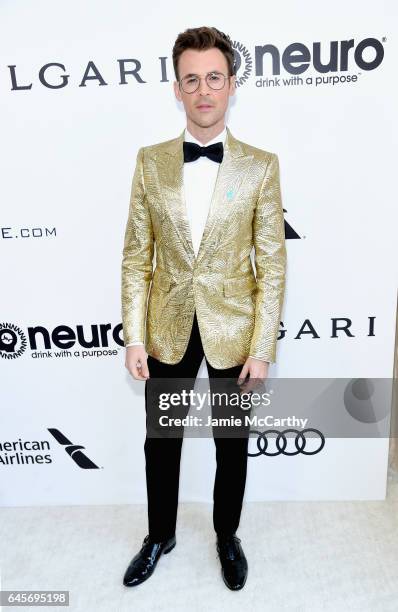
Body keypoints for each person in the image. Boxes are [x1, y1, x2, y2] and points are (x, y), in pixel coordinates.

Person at [121, 26, 287, 590]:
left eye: (214, 77)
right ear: (177, 88)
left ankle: (226, 536)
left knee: (231, 446)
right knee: (161, 441)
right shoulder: (149, 161)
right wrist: (134, 335)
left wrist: (262, 349)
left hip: (235, 330)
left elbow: (273, 264)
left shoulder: (260, 166)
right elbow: (135, 258)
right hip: (166, 327)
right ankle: (159, 535)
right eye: (191, 79)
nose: (203, 90)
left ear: (231, 84)